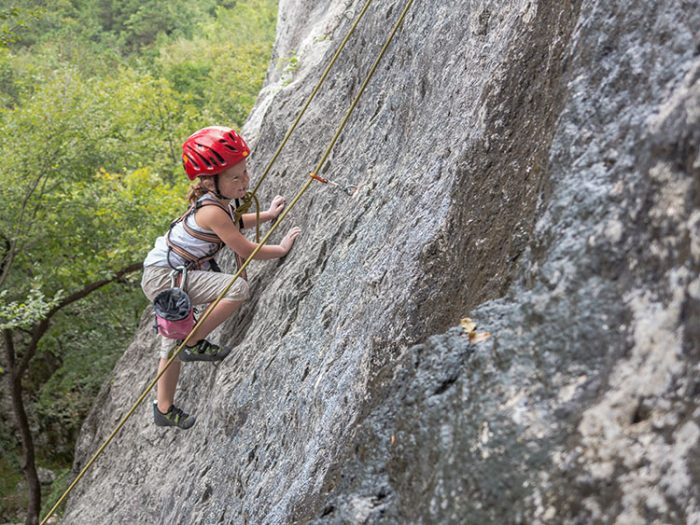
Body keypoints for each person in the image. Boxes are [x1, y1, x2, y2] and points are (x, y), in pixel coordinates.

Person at [141, 126, 301, 429]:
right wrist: (280, 248)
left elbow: (233, 221)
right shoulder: (213, 211)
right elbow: (242, 246)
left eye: (245, 173)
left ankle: (163, 408)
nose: (244, 181)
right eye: (235, 177)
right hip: (165, 277)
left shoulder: (216, 205)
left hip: (163, 274)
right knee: (237, 288)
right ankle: (195, 340)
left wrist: (267, 215)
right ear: (210, 181)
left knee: (171, 343)